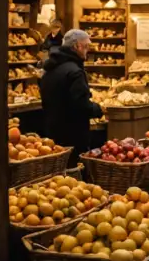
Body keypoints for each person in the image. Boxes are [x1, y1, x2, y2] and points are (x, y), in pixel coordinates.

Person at [40, 29, 104, 166]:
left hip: (52, 131)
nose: (88, 50)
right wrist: (98, 109)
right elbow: (81, 106)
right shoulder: (75, 72)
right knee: (74, 174)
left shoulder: (50, 68)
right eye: (86, 46)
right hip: (73, 135)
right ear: (76, 46)